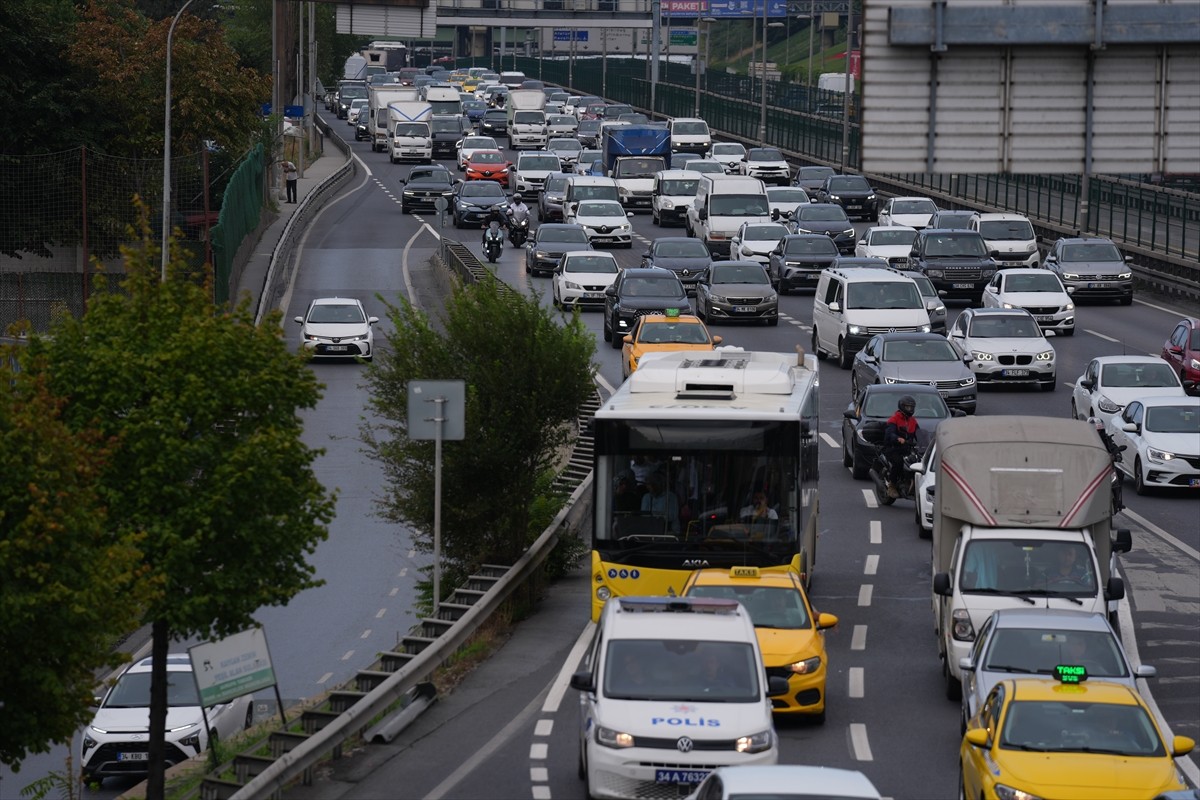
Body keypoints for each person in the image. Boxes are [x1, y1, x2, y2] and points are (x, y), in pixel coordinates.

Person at [883, 395, 919, 498]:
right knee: (898, 462)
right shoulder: (894, 419)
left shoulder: (913, 421)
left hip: (906, 449)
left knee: (917, 462)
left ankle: (910, 483)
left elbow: (919, 433)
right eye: (908, 407)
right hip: (893, 449)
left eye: (912, 407)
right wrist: (898, 438)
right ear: (902, 407)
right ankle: (892, 485)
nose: (910, 409)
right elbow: (890, 434)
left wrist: (927, 442)